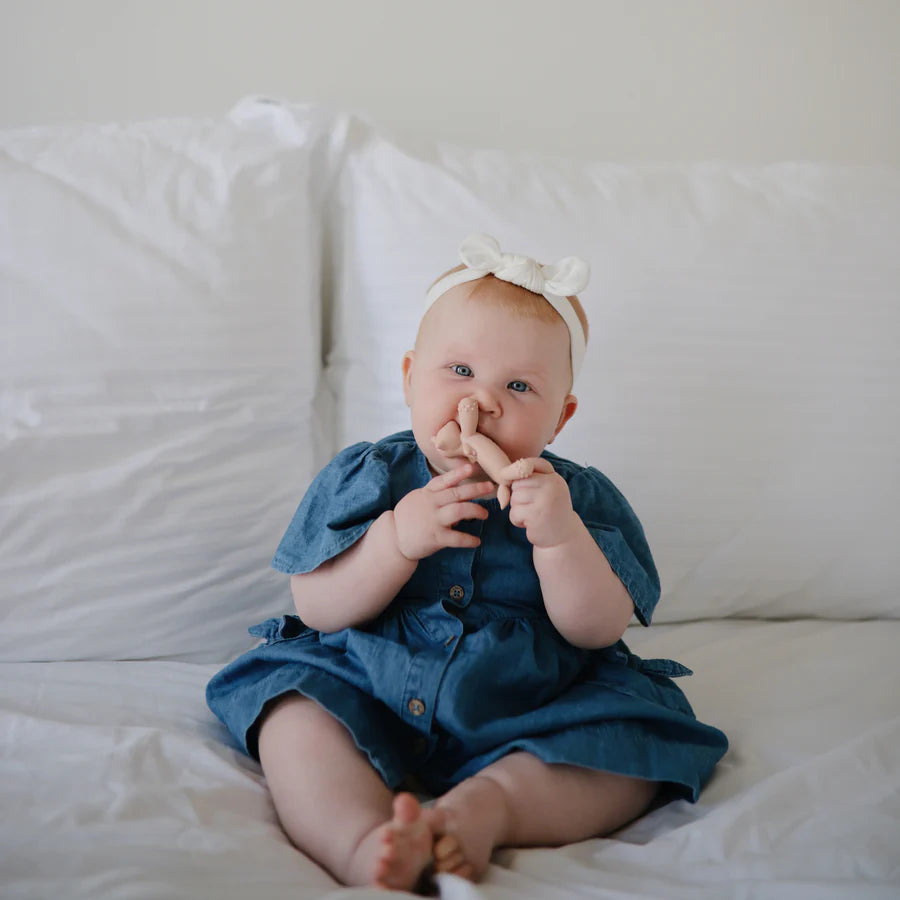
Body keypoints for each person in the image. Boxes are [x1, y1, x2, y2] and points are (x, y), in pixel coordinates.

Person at [206, 234, 728, 892]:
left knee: (634, 747)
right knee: (293, 715)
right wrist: (395, 540)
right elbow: (316, 604)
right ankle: (363, 842)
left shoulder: (579, 500)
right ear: (408, 377)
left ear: (560, 418)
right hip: (365, 675)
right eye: (458, 372)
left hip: (529, 697)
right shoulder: (369, 475)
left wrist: (560, 538)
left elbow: (596, 629)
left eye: (518, 385)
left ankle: (488, 808)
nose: (480, 404)